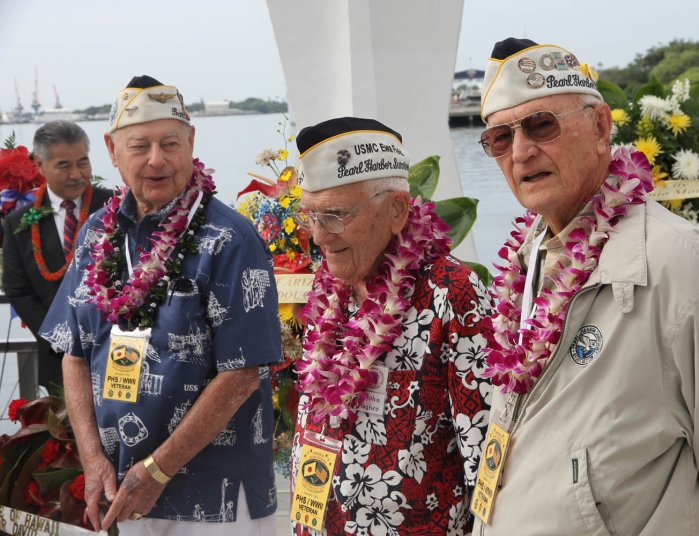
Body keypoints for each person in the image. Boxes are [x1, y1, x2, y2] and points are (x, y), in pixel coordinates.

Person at [472, 38, 699, 535]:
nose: (520, 152)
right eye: (499, 138)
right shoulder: (528, 257)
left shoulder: (678, 263)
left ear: (601, 127)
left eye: (542, 126)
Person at [39, 76, 283, 535]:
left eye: (170, 143)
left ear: (191, 142)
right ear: (112, 152)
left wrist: (155, 471)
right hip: (123, 490)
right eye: (140, 146)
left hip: (217, 497)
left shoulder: (230, 238)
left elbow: (242, 374)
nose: (157, 159)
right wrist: (92, 459)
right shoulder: (95, 234)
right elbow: (74, 351)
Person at [289, 117, 493, 535]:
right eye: (310, 215)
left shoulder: (451, 293)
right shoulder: (331, 286)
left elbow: (487, 453)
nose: (319, 236)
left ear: (398, 209)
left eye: (335, 215)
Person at [2, 120, 113, 392]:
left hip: (116, 353)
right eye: (64, 165)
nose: (77, 174)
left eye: (83, 162)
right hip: (58, 359)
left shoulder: (115, 206)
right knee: (65, 434)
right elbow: (17, 289)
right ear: (40, 166)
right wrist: (59, 338)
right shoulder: (19, 224)